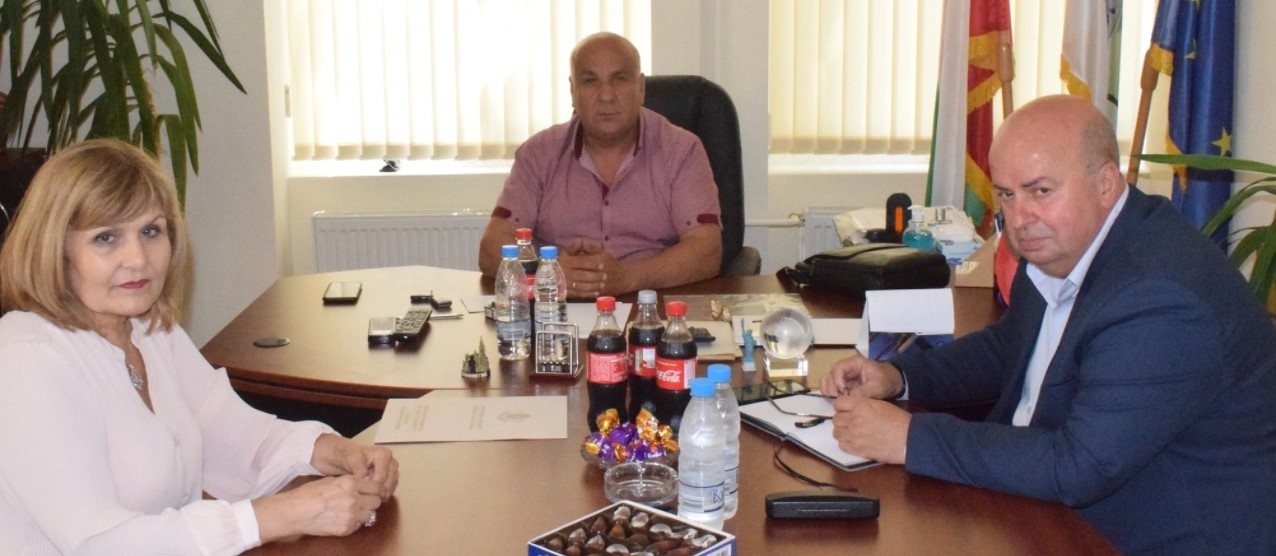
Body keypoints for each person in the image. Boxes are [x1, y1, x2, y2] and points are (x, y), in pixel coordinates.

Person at [821, 95, 1276, 553]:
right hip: (1055, 510)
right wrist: (899, 376)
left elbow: (1080, 466)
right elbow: (1009, 348)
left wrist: (909, 438)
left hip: (1155, 536)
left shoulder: (1158, 298)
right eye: (1007, 194)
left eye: (1041, 191)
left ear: (1105, 184)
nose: (1019, 219)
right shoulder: (1065, 247)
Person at [0, 139, 400, 554]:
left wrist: (338, 452)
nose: (138, 258)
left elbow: (239, 439)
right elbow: (99, 544)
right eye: (106, 238)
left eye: (150, 231)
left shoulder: (151, 330)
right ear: (55, 249)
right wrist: (279, 515)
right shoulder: (26, 359)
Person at [477, 32, 722, 298]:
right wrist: (548, 273)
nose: (606, 95)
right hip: (557, 306)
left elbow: (706, 251)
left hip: (649, 302)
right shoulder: (538, 154)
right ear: (573, 91)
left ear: (641, 88)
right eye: (590, 81)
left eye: (619, 79)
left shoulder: (682, 150)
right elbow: (491, 249)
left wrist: (627, 278)